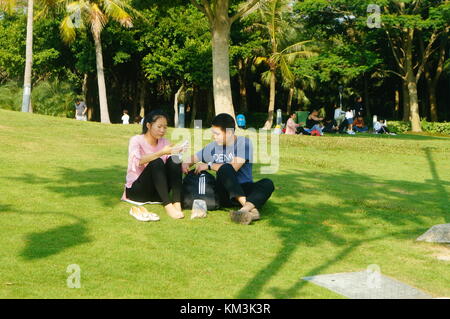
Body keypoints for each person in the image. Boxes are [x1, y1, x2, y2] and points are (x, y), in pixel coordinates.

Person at [182, 113, 275, 225]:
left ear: (229, 132)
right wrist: (185, 164)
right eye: (213, 133)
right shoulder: (212, 147)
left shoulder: (243, 143)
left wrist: (209, 165)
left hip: (244, 188)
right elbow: (192, 158)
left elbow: (234, 167)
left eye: (217, 134)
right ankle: (251, 209)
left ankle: (243, 210)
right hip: (224, 192)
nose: (214, 136)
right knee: (225, 168)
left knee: (267, 183)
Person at [122, 110, 185, 220]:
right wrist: (161, 152)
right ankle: (168, 205)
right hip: (137, 191)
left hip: (157, 193)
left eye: (165, 127)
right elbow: (138, 161)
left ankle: (176, 202)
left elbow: (171, 166)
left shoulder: (164, 142)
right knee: (156, 161)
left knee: (175, 159)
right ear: (148, 125)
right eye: (159, 126)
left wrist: (178, 157)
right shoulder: (136, 140)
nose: (162, 130)